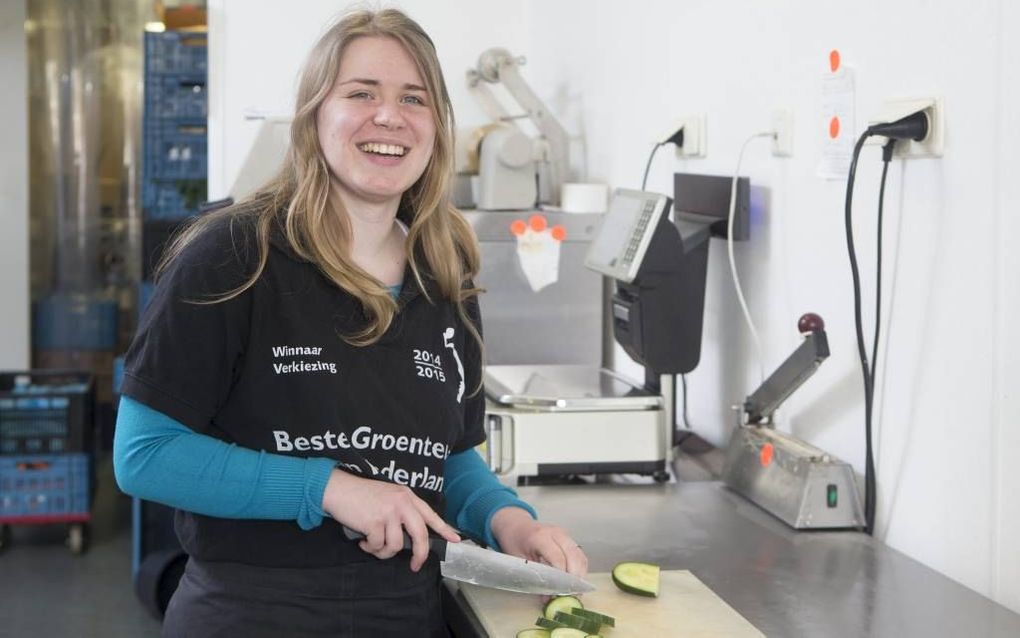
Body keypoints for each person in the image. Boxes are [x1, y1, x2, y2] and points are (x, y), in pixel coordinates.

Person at [113, 8, 588, 638]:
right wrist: (330, 489)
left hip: (406, 614)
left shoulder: (445, 275)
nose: (389, 116)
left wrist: (510, 520)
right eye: (361, 93)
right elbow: (145, 455)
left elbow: (441, 456)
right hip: (252, 613)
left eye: (413, 99)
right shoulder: (234, 256)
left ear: (436, 130)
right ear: (315, 115)